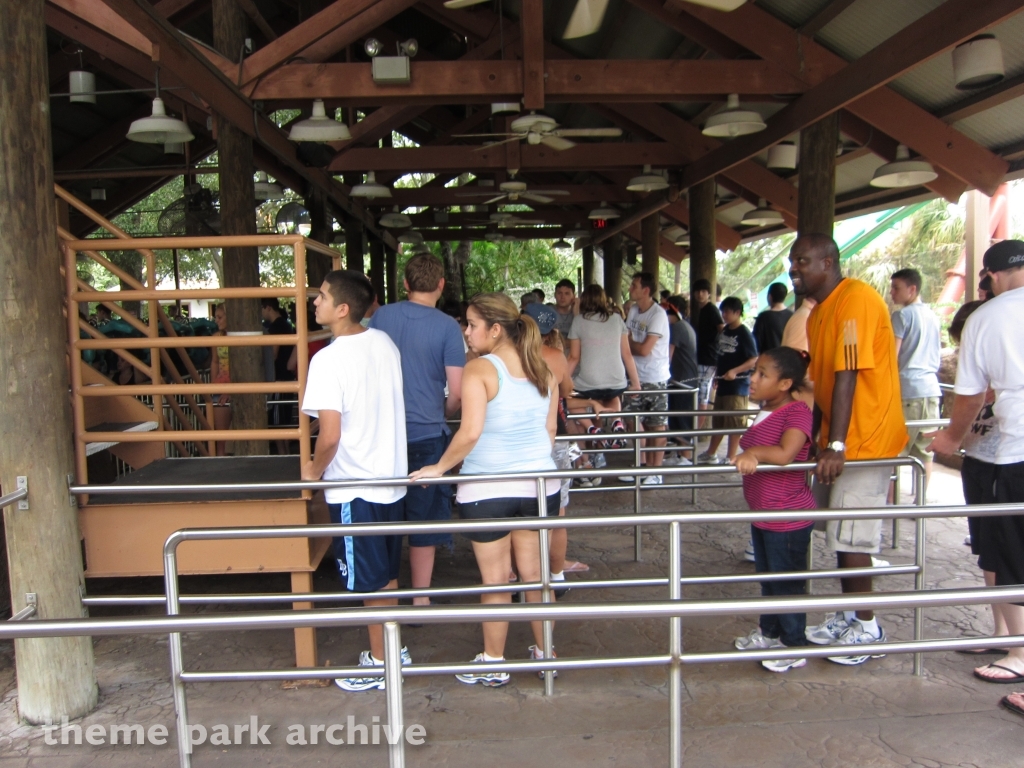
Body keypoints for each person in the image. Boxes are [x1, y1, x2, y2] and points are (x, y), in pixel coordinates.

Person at [410, 293, 560, 688]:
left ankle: (494, 661)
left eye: (472, 324)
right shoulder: (543, 368)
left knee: (495, 579)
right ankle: (547, 657)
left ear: (495, 330)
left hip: (487, 488)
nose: (466, 331)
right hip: (541, 485)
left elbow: (470, 432)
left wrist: (439, 468)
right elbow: (549, 433)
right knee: (535, 576)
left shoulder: (480, 369)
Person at [790, 233, 907, 664]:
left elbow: (849, 374)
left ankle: (868, 626)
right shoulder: (821, 312)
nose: (794, 268)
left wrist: (835, 444)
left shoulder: (854, 299)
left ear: (828, 262)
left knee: (855, 536)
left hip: (865, 440)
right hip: (840, 440)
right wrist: (814, 439)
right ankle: (850, 616)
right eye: (792, 261)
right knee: (839, 535)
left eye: (802, 260)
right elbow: (822, 383)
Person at [926, 240, 1024, 716]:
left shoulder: (989, 318)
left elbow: (968, 397)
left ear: (991, 275)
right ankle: (1010, 642)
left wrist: (949, 438)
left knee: (1011, 555)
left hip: (1016, 450)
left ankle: (1021, 654)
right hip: (1008, 449)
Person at [300, 270, 409, 692]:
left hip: (355, 485)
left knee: (370, 581)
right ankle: (392, 652)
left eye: (322, 296)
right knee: (386, 574)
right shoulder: (383, 342)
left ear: (342, 309)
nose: (315, 302)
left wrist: (312, 470)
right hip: (390, 479)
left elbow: (329, 435)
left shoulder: (327, 359)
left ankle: (381, 665)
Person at [369, 254, 466, 608]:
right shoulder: (447, 328)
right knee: (423, 516)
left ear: (405, 284)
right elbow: (456, 391)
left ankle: (386, 591)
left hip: (382, 435)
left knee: (385, 511)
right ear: (441, 285)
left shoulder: (381, 317)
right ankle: (421, 597)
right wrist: (442, 413)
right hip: (427, 434)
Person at [731, 347, 816, 673]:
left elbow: (785, 454)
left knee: (786, 582)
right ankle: (771, 632)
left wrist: (752, 452)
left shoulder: (796, 413)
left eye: (762, 374)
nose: (752, 379)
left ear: (785, 384)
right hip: (764, 513)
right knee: (769, 579)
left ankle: (793, 643)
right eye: (754, 372)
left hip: (787, 517)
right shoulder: (765, 409)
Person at [946, 300, 1008, 656]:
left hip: (1002, 462)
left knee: (1004, 549)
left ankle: (1011, 637)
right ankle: (999, 630)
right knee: (986, 549)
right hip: (978, 459)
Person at [525, 302, 590, 584]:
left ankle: (523, 575)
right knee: (558, 510)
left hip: (522, 438)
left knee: (523, 511)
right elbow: (566, 392)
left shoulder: (509, 355)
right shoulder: (555, 356)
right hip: (556, 437)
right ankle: (556, 574)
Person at [566, 284, 641, 484]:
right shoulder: (617, 319)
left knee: (572, 401)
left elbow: (573, 357)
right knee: (612, 395)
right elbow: (627, 354)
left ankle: (591, 428)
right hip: (616, 380)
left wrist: (561, 382)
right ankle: (616, 419)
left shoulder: (579, 321)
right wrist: (635, 383)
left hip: (588, 383)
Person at [890, 268, 941, 492]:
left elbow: (892, 354)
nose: (892, 293)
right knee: (924, 451)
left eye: (896, 288)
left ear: (912, 289)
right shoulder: (932, 315)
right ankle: (919, 500)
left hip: (908, 389)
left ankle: (890, 498)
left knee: (895, 448)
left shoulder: (902, 315)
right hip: (931, 389)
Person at [624, 272, 672, 485]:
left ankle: (656, 470)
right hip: (635, 375)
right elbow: (626, 341)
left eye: (634, 285)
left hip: (654, 377)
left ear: (646, 290)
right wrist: (629, 345)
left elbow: (643, 349)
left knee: (656, 425)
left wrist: (628, 346)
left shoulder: (658, 315)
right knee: (633, 422)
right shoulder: (633, 310)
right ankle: (641, 465)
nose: (630, 288)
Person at [698, 297, 758, 465]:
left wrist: (735, 371)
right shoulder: (724, 331)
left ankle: (731, 456)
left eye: (727, 312)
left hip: (737, 386)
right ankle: (711, 453)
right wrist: (718, 373)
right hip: (723, 383)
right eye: (722, 311)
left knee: (734, 422)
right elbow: (721, 355)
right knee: (719, 420)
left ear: (737, 313)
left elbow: (754, 358)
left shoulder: (744, 333)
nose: (724, 315)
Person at [666, 295, 697, 463]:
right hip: (684, 380)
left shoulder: (676, 327)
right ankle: (679, 453)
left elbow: (667, 357)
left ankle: (686, 456)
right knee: (677, 419)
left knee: (681, 420)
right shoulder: (684, 325)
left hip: (682, 382)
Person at [263, 297, 295, 454]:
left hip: (278, 378)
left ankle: (284, 456)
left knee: (277, 422)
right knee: (282, 420)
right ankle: (285, 454)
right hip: (285, 377)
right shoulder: (286, 325)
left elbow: (273, 354)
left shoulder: (276, 327)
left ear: (268, 308)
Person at [693, 278, 725, 421]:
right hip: (702, 357)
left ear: (709, 294)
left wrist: (720, 351)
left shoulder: (711, 310)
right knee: (700, 394)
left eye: (704, 291)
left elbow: (722, 329)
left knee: (702, 396)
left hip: (708, 357)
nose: (700, 294)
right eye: (698, 291)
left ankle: (696, 434)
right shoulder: (702, 310)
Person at [209, 303, 233, 456]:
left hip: (239, 386)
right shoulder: (216, 338)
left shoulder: (241, 337)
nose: (217, 321)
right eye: (215, 317)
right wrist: (212, 387)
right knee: (220, 438)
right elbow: (215, 362)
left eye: (220, 317)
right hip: (220, 387)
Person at [752, 282, 793, 353]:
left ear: (770, 297)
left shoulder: (763, 317)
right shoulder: (792, 315)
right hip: (787, 359)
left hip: (768, 359)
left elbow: (756, 342)